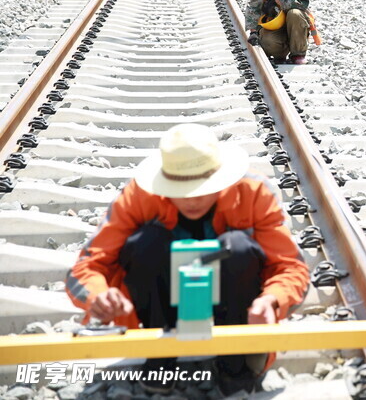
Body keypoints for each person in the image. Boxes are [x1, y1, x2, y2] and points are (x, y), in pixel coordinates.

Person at [66, 124, 310, 396]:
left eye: (202, 189)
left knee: (238, 248)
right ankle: (160, 354)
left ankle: (236, 364)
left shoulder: (253, 193)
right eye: (181, 190)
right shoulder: (139, 196)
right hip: (160, 303)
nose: (192, 201)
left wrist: (272, 300)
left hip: (236, 303)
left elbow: (291, 268)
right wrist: (97, 296)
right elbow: (86, 266)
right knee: (146, 244)